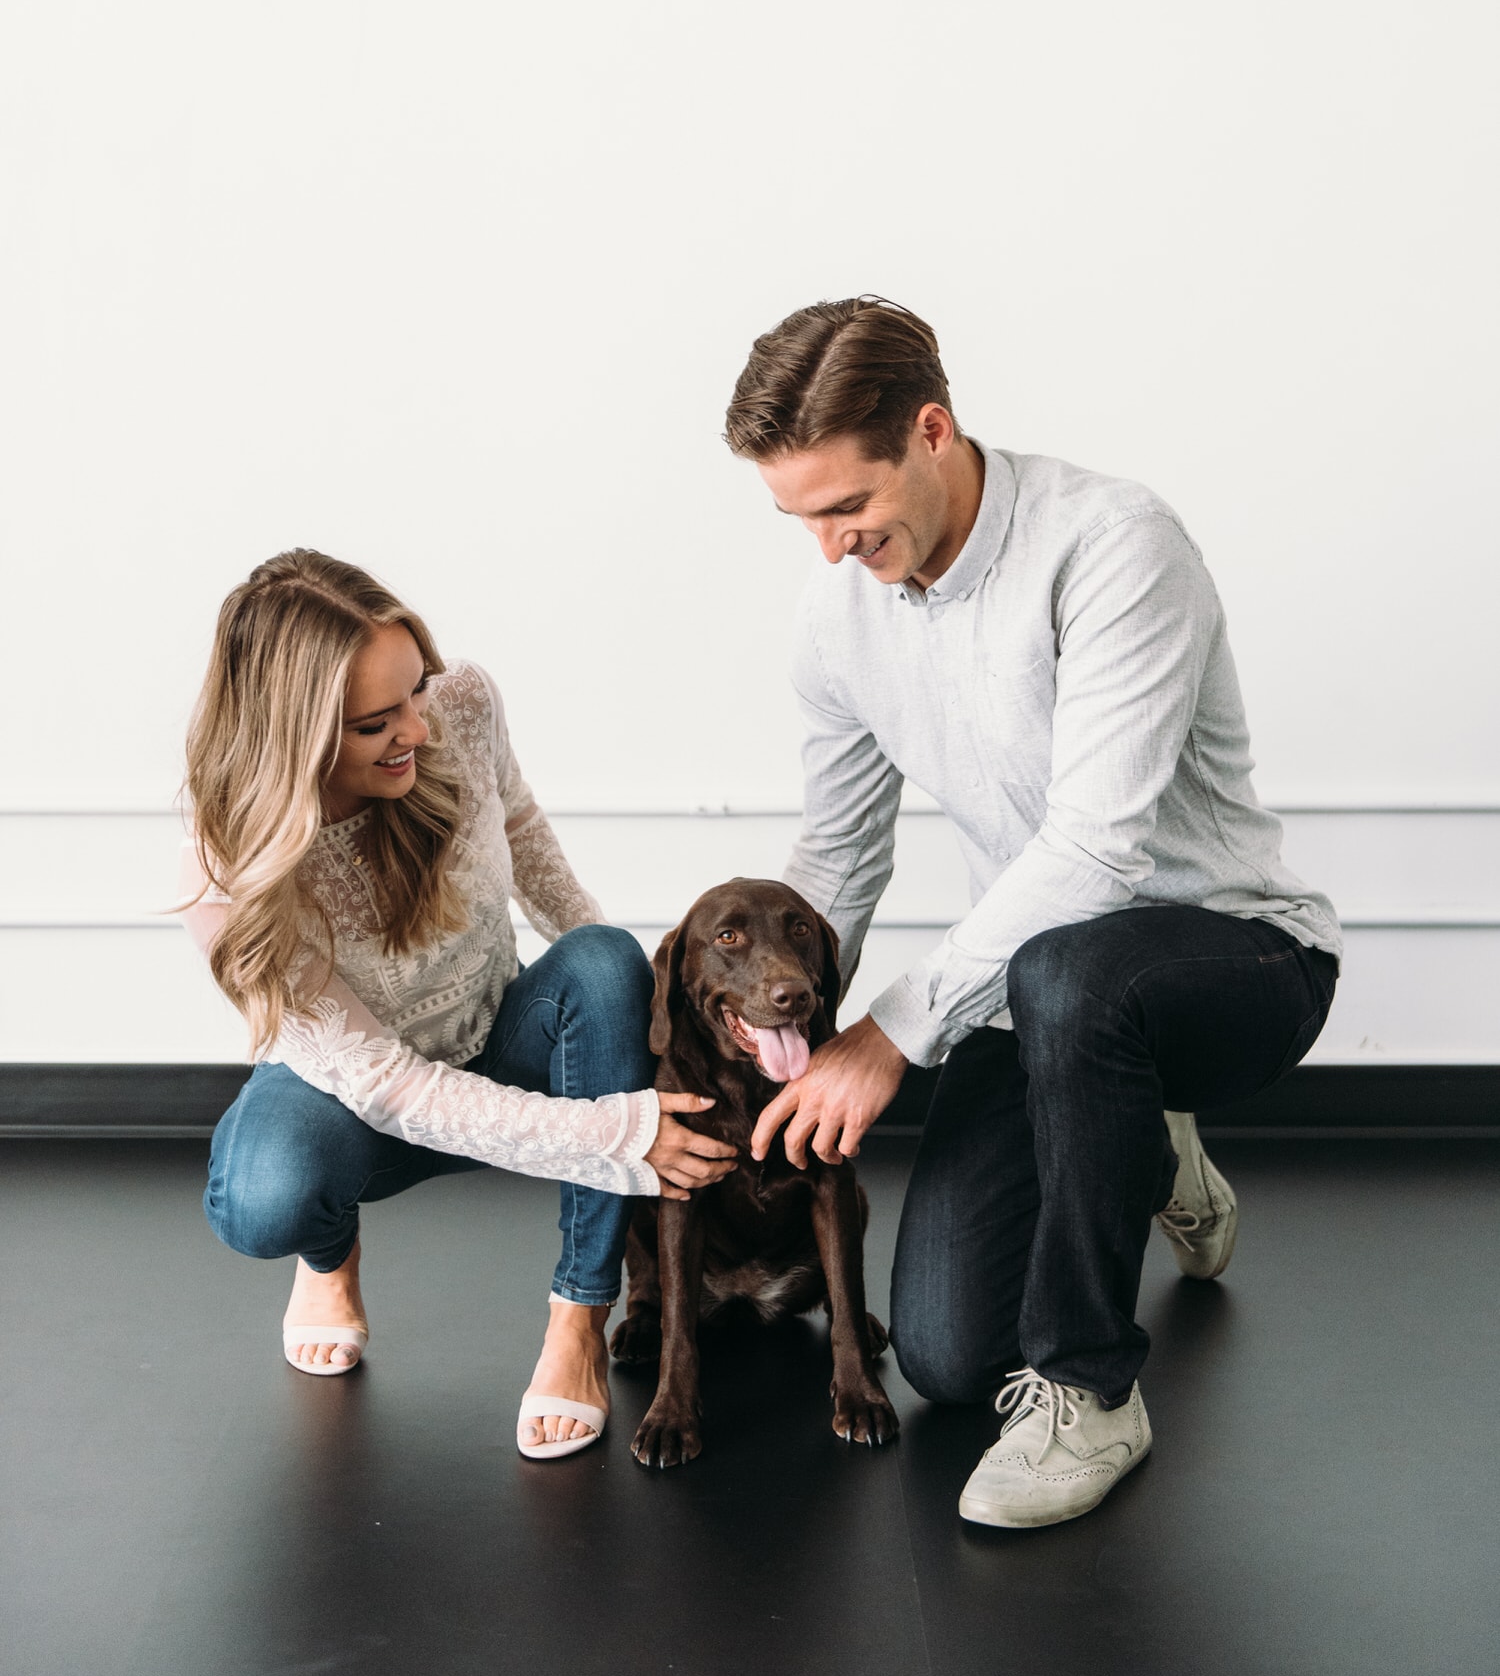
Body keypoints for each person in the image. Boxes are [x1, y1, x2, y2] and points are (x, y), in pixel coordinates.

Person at [725, 297, 1342, 1528]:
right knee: (949, 1361)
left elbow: (1098, 853)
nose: (831, 548)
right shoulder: (835, 616)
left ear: (933, 430)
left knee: (1076, 973)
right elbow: (839, 859)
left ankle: (1091, 1389)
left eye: (849, 508)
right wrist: (763, 1014)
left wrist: (895, 1031)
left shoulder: (1114, 544)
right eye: (801, 520)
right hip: (1040, 993)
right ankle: (1142, 1149)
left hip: (1238, 960)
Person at [179, 550, 735, 1459]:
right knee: (263, 1200)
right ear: (299, 735)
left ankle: (578, 1321)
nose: (418, 730)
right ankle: (329, 1258)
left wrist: (640, 1015)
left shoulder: (461, 706)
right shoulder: (230, 871)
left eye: (416, 690)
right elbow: (390, 1087)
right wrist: (617, 1131)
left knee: (604, 960)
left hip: (496, 1033)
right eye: (376, 722)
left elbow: (520, 825)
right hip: (358, 1094)